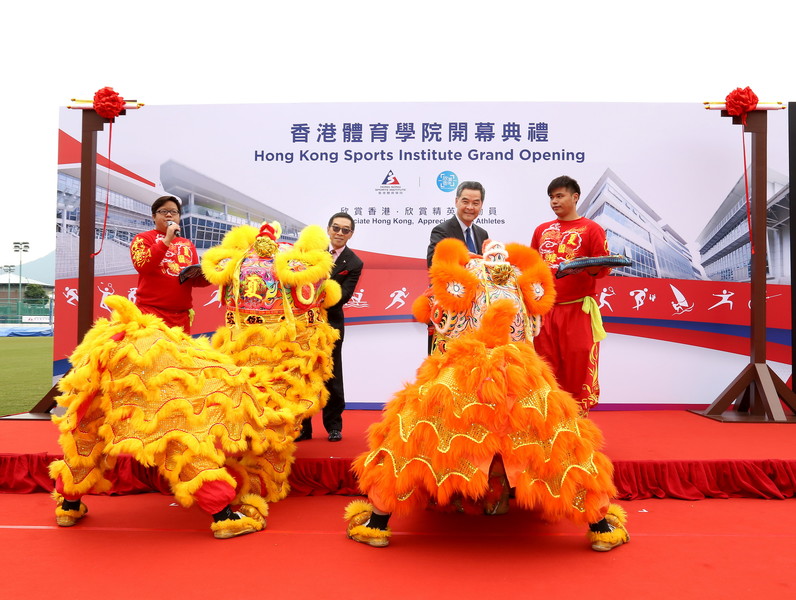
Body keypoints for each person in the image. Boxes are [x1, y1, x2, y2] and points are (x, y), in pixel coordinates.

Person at [343, 238, 629, 552]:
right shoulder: (523, 285)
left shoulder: (469, 280)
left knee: (414, 435)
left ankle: (378, 523)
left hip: (469, 371)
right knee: (557, 442)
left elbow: (446, 326)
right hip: (517, 370)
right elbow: (531, 332)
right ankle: (600, 525)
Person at [530, 175, 610, 413]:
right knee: (544, 366)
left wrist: (588, 265)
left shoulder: (591, 229)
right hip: (545, 311)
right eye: (551, 197)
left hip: (577, 309)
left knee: (578, 365)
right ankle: (548, 423)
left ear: (575, 197)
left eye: (560, 196)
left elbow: (603, 269)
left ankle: (577, 426)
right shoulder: (541, 230)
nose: (554, 201)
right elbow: (532, 267)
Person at [297, 212, 363, 442]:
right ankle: (304, 428)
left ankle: (334, 426)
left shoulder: (354, 263)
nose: (340, 233)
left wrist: (317, 292)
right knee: (305, 375)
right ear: (328, 229)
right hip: (305, 324)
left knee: (332, 376)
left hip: (331, 325)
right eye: (336, 228)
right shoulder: (312, 254)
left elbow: (343, 296)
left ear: (351, 234)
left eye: (345, 230)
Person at [129, 195, 210, 333]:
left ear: (178, 217)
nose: (169, 215)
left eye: (174, 212)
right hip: (150, 314)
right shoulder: (142, 239)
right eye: (163, 211)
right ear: (154, 216)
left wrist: (213, 273)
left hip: (181, 317)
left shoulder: (187, 244)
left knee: (181, 354)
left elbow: (194, 280)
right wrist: (167, 240)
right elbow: (142, 266)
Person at [426, 181, 489, 267]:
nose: (470, 207)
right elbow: (433, 265)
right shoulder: (442, 231)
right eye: (465, 202)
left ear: (481, 205)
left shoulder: (482, 234)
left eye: (475, 203)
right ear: (456, 201)